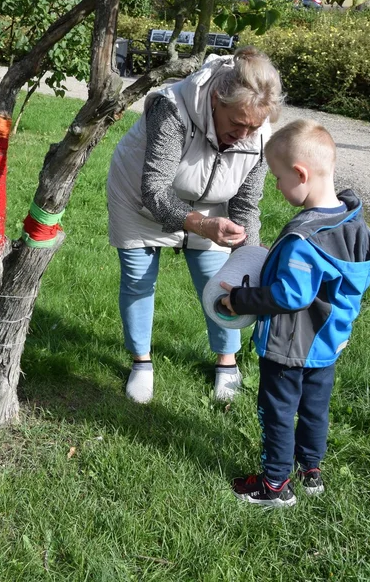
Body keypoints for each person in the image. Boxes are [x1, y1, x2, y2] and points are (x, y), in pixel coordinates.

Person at [219, 120, 370, 507]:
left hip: (290, 346)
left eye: (278, 178)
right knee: (314, 408)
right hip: (326, 342)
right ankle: (311, 470)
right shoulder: (350, 218)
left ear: (301, 174)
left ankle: (275, 485)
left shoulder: (304, 241)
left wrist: (241, 300)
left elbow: (289, 295)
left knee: (277, 411)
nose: (276, 186)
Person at [106, 46, 284, 404]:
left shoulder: (259, 131)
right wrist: (201, 226)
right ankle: (141, 362)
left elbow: (247, 203)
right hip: (140, 196)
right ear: (217, 99)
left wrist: (249, 257)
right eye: (237, 124)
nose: (245, 135)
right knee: (139, 279)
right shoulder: (172, 108)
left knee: (219, 280)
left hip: (209, 202)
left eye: (253, 127)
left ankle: (227, 362)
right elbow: (154, 189)